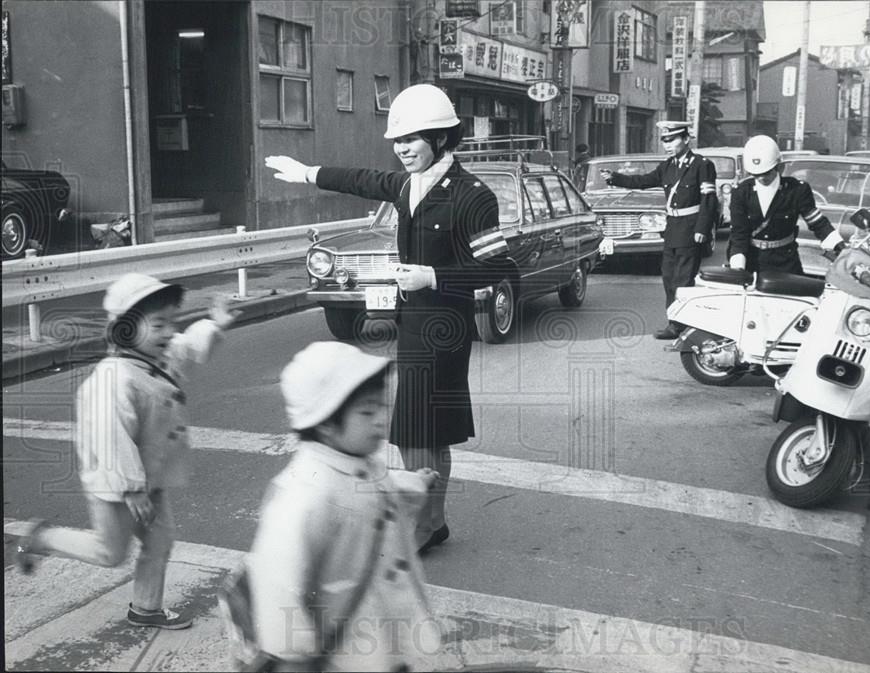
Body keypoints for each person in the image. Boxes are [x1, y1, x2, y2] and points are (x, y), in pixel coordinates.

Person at [265, 84, 509, 553]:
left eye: (411, 140)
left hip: (446, 327)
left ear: (440, 138)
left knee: (418, 432)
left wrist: (433, 276)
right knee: (427, 434)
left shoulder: (472, 196)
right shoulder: (406, 185)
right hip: (413, 323)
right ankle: (432, 522)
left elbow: (500, 267)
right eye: (397, 142)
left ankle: (421, 523)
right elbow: (361, 179)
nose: (402, 150)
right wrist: (308, 173)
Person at [15, 273, 238, 629]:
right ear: (125, 330)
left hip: (151, 479)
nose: (169, 333)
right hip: (117, 485)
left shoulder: (156, 357)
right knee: (111, 552)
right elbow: (110, 438)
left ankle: (146, 608)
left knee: (161, 539)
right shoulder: (114, 379)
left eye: (171, 322)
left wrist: (214, 325)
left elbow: (189, 346)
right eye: (159, 324)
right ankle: (42, 538)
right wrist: (131, 487)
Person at [245, 341, 440, 671]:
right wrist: (292, 656)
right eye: (367, 411)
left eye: (382, 406)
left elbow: (378, 486)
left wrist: (415, 482)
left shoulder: (357, 461)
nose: (382, 420)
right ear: (324, 422)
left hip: (387, 628)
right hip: (346, 650)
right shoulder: (304, 494)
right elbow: (278, 581)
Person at [599, 121, 719, 339]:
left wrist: (703, 228)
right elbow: (643, 181)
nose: (668, 145)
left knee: (683, 279)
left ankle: (679, 325)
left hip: (691, 229)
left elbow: (709, 200)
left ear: (685, 139)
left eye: (671, 140)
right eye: (665, 141)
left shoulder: (702, 165)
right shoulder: (668, 166)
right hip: (672, 229)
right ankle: (675, 320)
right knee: (668, 278)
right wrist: (615, 178)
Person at [728, 135, 845, 274]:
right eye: (756, 174)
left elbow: (817, 222)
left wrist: (840, 247)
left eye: (766, 173)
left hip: (786, 262)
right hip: (751, 261)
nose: (761, 178)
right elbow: (738, 233)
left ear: (780, 167)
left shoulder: (797, 190)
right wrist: (737, 267)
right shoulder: (741, 192)